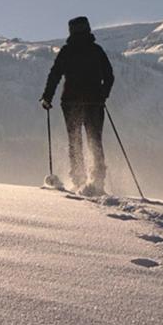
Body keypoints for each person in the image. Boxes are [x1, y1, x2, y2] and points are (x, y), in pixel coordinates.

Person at [41, 16, 114, 195]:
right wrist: (103, 95)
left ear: (71, 31)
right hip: (94, 102)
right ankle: (97, 182)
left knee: (75, 141)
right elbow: (109, 76)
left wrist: (47, 97)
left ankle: (79, 179)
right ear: (88, 29)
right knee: (95, 141)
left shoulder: (67, 51)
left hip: (71, 103)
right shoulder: (96, 50)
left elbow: (54, 75)